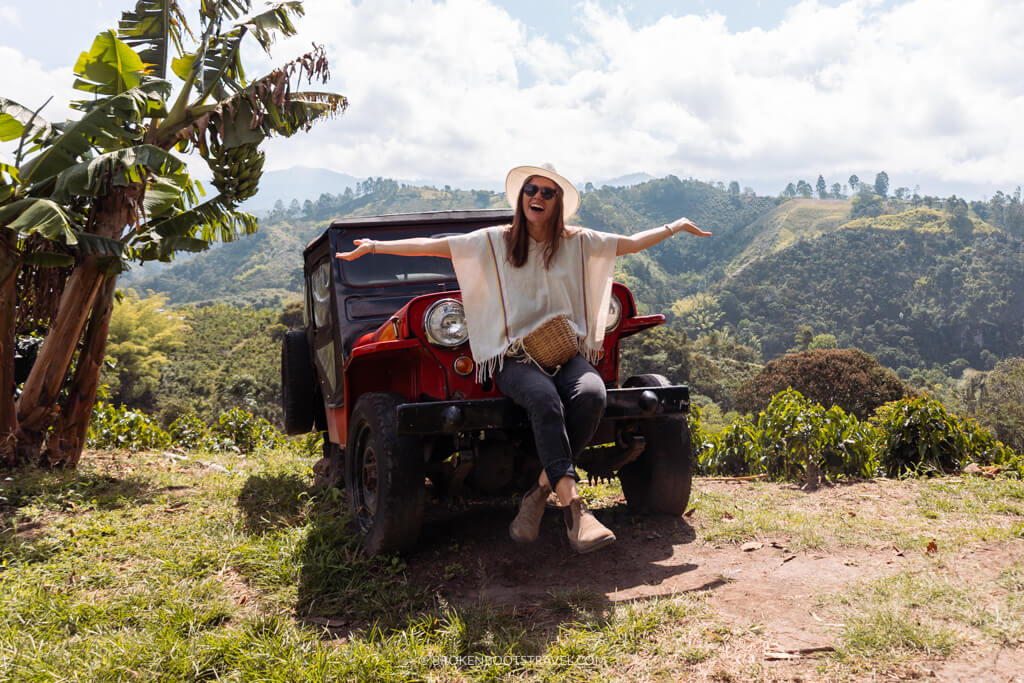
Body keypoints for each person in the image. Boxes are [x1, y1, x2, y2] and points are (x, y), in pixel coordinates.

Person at [336, 164, 711, 553]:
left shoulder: (576, 241)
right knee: (545, 400)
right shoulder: (497, 241)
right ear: (522, 196)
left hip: (563, 353)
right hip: (513, 358)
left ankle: (537, 494)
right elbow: (440, 245)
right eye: (532, 189)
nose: (538, 196)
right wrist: (376, 248)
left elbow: (629, 243)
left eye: (548, 192)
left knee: (594, 394)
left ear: (557, 202)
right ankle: (576, 510)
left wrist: (675, 226)